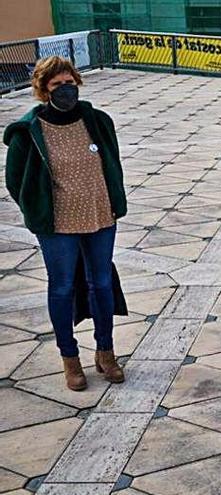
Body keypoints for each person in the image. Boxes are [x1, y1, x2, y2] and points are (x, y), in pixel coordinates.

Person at [3, 56, 127, 390]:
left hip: (101, 216)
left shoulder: (96, 121)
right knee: (61, 287)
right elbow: (15, 181)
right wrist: (39, 210)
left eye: (69, 82)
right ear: (43, 90)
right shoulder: (28, 131)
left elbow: (112, 161)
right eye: (57, 85)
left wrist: (115, 200)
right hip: (57, 225)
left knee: (101, 283)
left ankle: (106, 352)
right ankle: (70, 359)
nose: (66, 90)